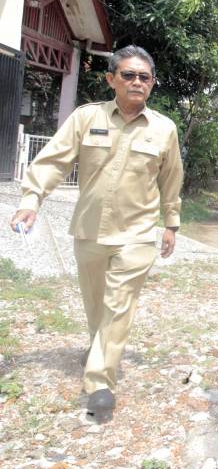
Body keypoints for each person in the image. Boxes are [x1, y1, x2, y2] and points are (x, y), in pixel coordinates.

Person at [9, 45, 183, 421]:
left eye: (144, 77)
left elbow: (171, 180)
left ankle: (100, 382)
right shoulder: (87, 118)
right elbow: (54, 160)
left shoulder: (164, 129)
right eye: (128, 75)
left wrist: (171, 223)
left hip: (137, 233)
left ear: (152, 84)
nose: (136, 82)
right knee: (96, 303)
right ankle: (99, 348)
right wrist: (31, 199)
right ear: (111, 79)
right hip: (89, 230)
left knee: (119, 306)